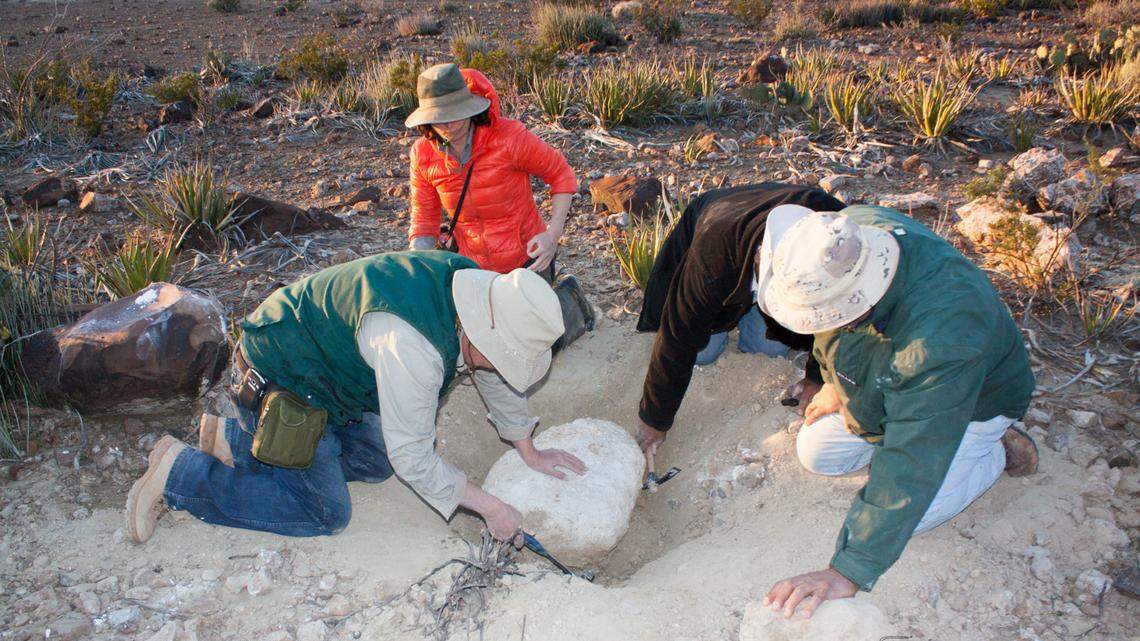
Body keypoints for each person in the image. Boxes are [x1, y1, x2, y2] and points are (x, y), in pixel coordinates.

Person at [125, 251, 586, 544]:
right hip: (280, 372)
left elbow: (491, 372)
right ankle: (179, 475)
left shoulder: (475, 291)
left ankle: (235, 441)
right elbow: (414, 457)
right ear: (484, 334)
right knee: (325, 512)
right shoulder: (415, 349)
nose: (500, 366)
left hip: (329, 370)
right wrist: (492, 507)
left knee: (377, 459)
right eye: (503, 355)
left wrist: (526, 445)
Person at [757, 208, 1039, 619]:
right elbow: (828, 328)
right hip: (884, 381)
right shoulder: (845, 234)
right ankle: (894, 442)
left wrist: (846, 571)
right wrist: (835, 383)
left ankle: (993, 451)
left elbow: (912, 458)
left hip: (972, 403)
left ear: (859, 300)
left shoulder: (941, 338)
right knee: (817, 452)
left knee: (914, 513)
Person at [633, 183, 845, 465]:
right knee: (701, 352)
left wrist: (818, 376)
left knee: (768, 348)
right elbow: (678, 335)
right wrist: (654, 421)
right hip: (721, 229)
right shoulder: (714, 246)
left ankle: (754, 310)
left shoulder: (837, 236)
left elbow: (838, 311)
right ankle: (736, 307)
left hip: (769, 254)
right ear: (759, 259)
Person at [404, 63, 593, 347]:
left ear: (470, 107)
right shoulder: (423, 154)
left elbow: (561, 174)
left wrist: (552, 236)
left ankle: (571, 300)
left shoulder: (509, 138)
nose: (447, 124)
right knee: (487, 348)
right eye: (438, 117)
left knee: (536, 345)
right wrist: (416, 266)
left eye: (454, 114)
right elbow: (424, 219)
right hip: (474, 267)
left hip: (527, 258)